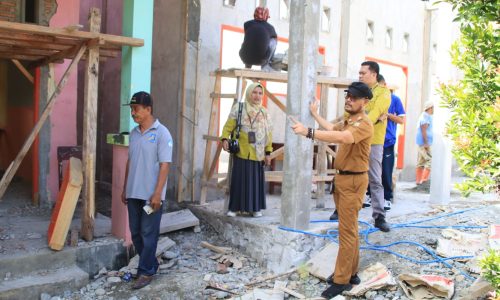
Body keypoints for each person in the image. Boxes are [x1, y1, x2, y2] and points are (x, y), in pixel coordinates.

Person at [290, 82, 374, 298]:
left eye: (354, 97)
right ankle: (351, 273)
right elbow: (332, 129)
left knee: (346, 232)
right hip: (344, 180)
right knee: (350, 229)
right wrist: (315, 115)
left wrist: (307, 132)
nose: (349, 100)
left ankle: (341, 280)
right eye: (348, 96)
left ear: (365, 101)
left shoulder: (364, 123)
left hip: (353, 182)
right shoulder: (350, 120)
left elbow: (343, 137)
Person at [121, 91, 173, 289]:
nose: (133, 113)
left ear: (148, 109)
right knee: (135, 233)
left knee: (148, 233)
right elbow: (130, 161)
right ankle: (150, 263)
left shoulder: (162, 133)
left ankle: (146, 272)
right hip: (133, 192)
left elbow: (165, 165)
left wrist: (158, 193)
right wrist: (125, 188)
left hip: (152, 196)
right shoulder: (134, 133)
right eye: (132, 109)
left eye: (136, 109)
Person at [221, 83, 272, 217]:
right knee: (239, 180)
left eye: (260, 93)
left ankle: (255, 209)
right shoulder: (239, 108)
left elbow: (268, 134)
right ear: (249, 93)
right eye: (254, 92)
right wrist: (224, 138)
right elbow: (228, 126)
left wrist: (268, 152)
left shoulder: (264, 112)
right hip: (242, 150)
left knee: (255, 182)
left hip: (258, 152)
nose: (257, 96)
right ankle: (234, 208)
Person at [377, 74, 405, 210]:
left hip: (387, 140)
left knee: (386, 170)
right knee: (372, 170)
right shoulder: (371, 99)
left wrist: (388, 115)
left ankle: (387, 197)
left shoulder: (394, 100)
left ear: (384, 84)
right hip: (373, 140)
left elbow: (401, 120)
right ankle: (371, 195)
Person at [239, 7, 278, 72]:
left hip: (244, 58)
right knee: (273, 41)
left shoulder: (247, 24)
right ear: (266, 16)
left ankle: (247, 66)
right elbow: (273, 41)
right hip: (261, 60)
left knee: (250, 39)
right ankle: (265, 66)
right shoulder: (270, 28)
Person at [416, 101, 434, 185]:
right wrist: (426, 143)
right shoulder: (425, 116)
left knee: (421, 162)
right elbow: (423, 129)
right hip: (424, 143)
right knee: (430, 160)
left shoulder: (426, 116)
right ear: (430, 108)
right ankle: (423, 180)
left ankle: (418, 181)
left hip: (423, 143)